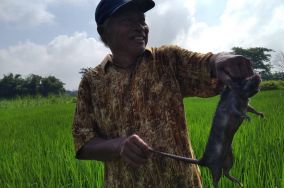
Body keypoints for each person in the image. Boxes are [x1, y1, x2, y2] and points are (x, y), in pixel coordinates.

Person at [72, 0, 255, 187]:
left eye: (142, 20)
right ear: (104, 32)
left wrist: (222, 60)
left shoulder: (167, 60)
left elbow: (206, 63)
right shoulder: (92, 82)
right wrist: (118, 146)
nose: (140, 27)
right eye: (128, 21)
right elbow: (84, 143)